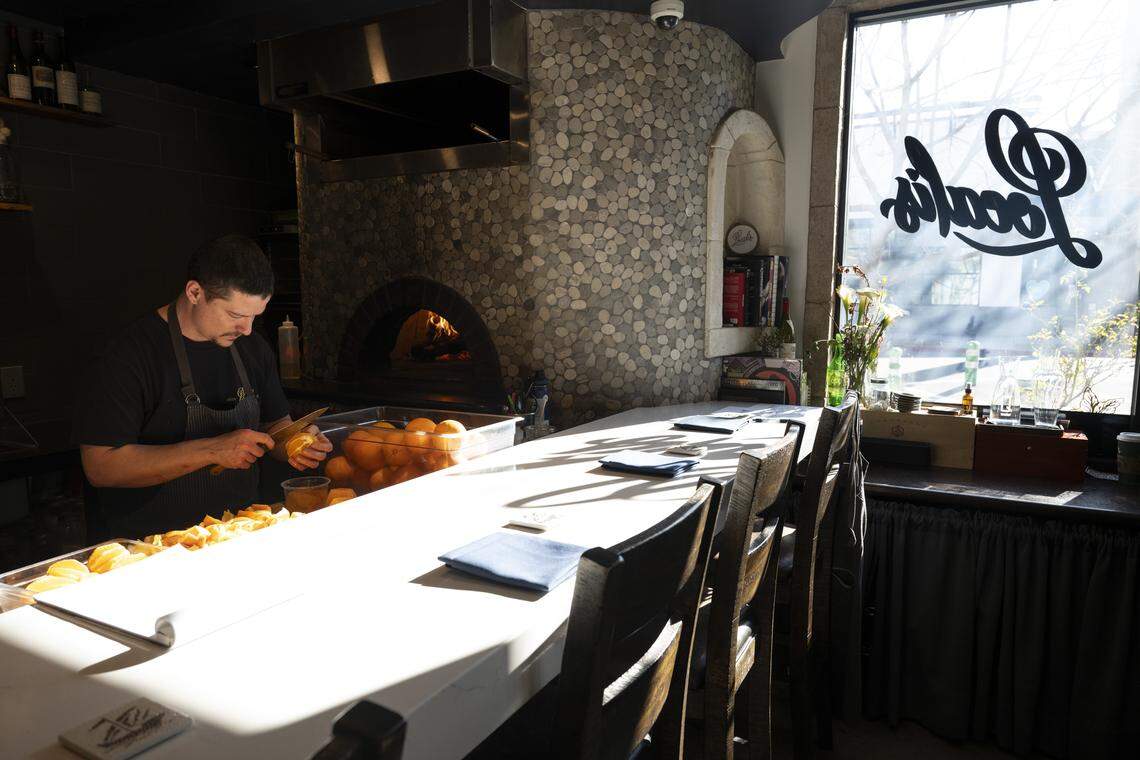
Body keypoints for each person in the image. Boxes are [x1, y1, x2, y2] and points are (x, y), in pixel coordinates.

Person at [77, 235, 332, 539]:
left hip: (240, 532)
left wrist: (295, 442)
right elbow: (101, 466)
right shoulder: (129, 354)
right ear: (195, 292)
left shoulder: (252, 347)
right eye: (236, 315)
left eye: (254, 316)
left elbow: (275, 425)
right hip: (153, 547)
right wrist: (213, 449)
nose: (247, 329)